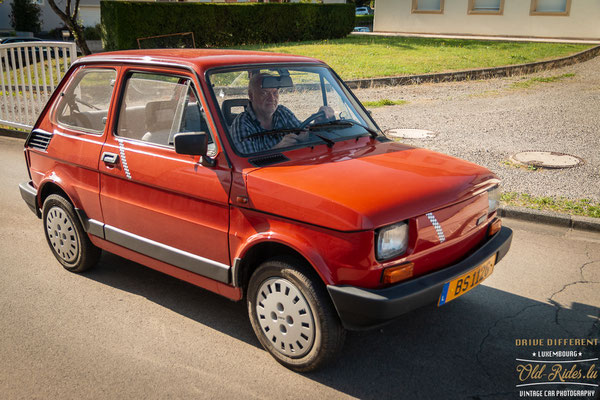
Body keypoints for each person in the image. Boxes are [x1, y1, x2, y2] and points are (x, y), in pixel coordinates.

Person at [230, 72, 334, 154]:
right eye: (264, 93)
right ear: (251, 95)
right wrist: (278, 149)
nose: (271, 98)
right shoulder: (242, 124)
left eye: (275, 93)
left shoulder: (282, 112)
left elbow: (301, 131)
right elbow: (247, 165)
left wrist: (317, 125)